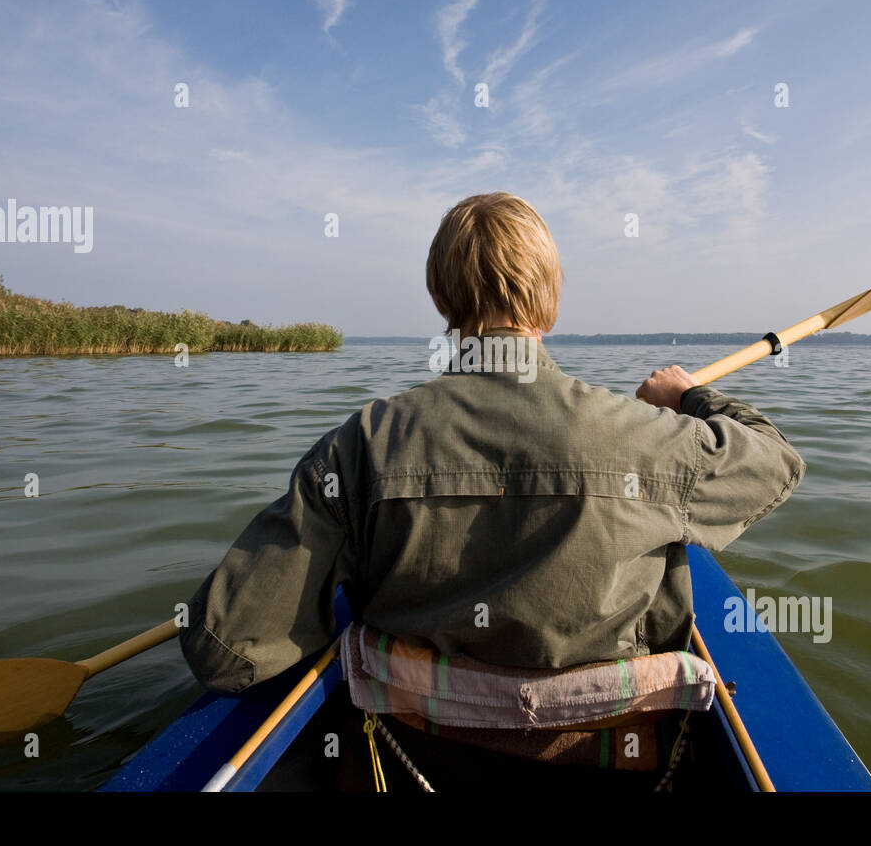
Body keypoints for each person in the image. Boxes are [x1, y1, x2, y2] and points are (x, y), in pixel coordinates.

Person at [179, 192, 805, 785]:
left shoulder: (362, 443)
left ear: (439, 294)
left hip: (412, 762)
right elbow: (776, 460)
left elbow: (225, 651)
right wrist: (688, 396)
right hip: (614, 765)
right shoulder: (651, 439)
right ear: (551, 296)